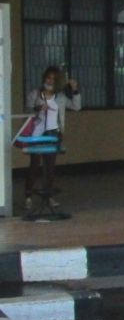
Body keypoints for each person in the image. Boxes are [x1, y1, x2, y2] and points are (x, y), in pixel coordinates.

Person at [24, 66, 82, 212]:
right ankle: (28, 196)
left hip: (54, 134)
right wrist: (38, 109)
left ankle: (48, 196)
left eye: (54, 79)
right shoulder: (35, 94)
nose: (50, 81)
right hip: (37, 133)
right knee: (35, 164)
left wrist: (75, 90)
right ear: (44, 78)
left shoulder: (61, 97)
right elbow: (27, 110)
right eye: (48, 78)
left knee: (50, 166)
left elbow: (76, 106)